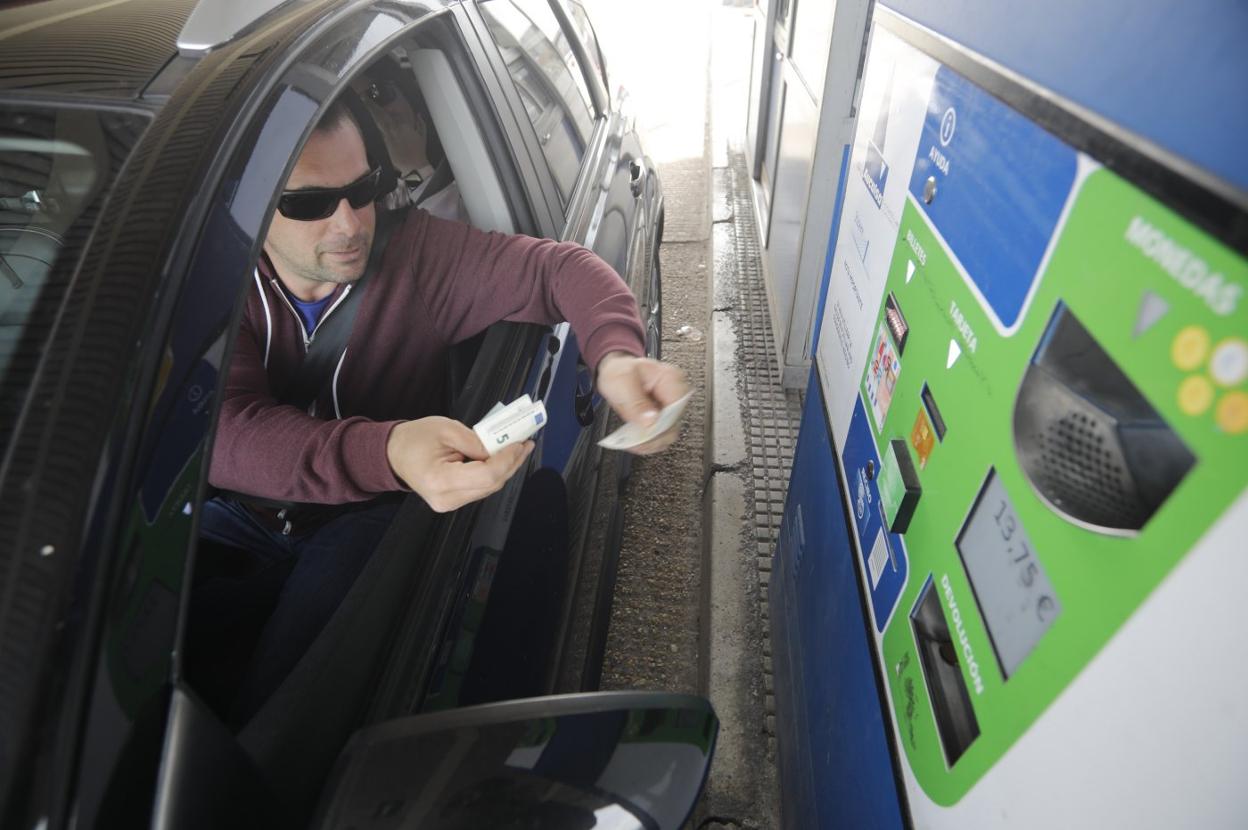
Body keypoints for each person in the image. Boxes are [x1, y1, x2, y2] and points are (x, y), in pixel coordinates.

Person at [190, 98, 686, 723]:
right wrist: (390, 447)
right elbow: (225, 430)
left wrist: (615, 356)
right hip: (236, 516)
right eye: (309, 204)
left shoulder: (418, 260)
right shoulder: (214, 285)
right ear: (252, 207)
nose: (348, 224)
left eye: (363, 188)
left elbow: (559, 268)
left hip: (367, 520)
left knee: (284, 716)